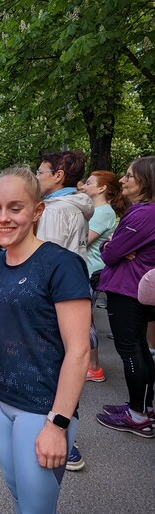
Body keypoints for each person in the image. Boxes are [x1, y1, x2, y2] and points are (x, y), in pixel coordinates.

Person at [0, 166, 91, 514]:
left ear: (37, 211)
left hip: (40, 411)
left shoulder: (62, 265)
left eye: (15, 207)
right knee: (18, 496)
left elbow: (79, 351)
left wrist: (57, 424)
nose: (2, 218)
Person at [35, 149, 93, 471]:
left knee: (60, 363)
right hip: (72, 293)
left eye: (42, 171)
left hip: (54, 298)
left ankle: (65, 439)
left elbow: (46, 260)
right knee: (69, 357)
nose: (38, 176)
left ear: (58, 176)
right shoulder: (77, 207)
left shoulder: (56, 211)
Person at [97, 156, 155, 438]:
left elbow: (109, 254)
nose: (122, 180)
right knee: (140, 349)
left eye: (129, 176)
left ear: (144, 181)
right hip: (134, 288)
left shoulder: (143, 214)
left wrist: (111, 246)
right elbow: (115, 249)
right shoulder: (145, 212)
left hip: (127, 290)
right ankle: (142, 406)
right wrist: (114, 246)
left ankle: (138, 415)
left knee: (131, 351)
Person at [80, 171, 127, 383]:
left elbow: (83, 240)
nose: (84, 185)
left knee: (83, 320)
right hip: (87, 270)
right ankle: (89, 364)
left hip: (91, 272)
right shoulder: (97, 211)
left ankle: (94, 367)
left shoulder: (103, 212)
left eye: (89, 183)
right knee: (83, 319)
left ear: (102, 188)